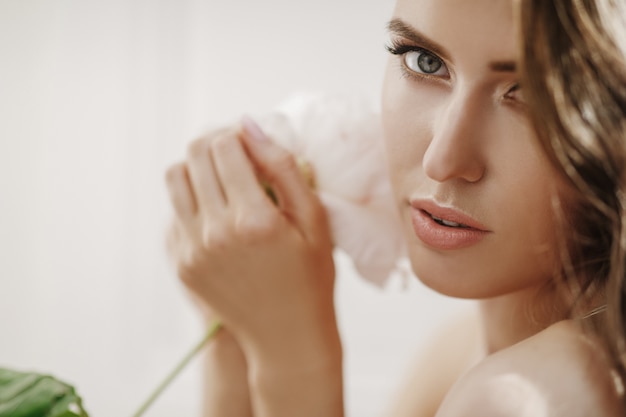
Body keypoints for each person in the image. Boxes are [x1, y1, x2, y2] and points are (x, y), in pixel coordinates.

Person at [164, 0, 626, 415]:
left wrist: (295, 357)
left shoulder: (534, 395)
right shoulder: (458, 349)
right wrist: (232, 333)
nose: (442, 161)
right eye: (424, 60)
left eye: (530, 93)